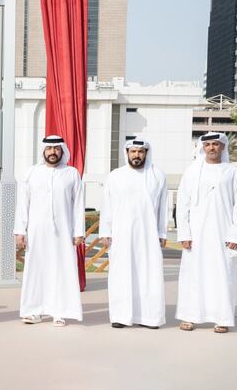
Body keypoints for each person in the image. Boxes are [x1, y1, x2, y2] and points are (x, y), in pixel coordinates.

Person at [175, 132, 237, 333]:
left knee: (222, 275)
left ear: (223, 147)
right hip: (195, 234)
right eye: (208, 145)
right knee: (193, 275)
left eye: (216, 144)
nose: (212, 148)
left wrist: (234, 236)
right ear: (202, 148)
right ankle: (190, 317)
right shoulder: (191, 171)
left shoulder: (232, 173)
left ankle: (222, 318)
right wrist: (185, 234)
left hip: (223, 234)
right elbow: (182, 205)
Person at [14, 135, 84, 327]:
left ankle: (59, 312)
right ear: (43, 151)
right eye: (49, 149)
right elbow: (23, 204)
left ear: (62, 151)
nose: (52, 152)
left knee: (62, 270)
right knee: (35, 270)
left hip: (63, 233)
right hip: (36, 232)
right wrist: (20, 230)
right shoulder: (31, 173)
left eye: (56, 149)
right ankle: (33, 311)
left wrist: (79, 231)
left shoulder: (71, 173)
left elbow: (78, 205)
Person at [100, 139, 167, 329]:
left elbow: (163, 208)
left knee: (149, 274)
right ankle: (121, 316)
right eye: (133, 152)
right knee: (121, 274)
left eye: (140, 152)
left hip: (149, 235)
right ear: (127, 153)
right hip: (121, 234)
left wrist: (162, 233)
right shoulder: (115, 176)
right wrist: (105, 231)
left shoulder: (157, 176)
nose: (136, 155)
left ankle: (150, 317)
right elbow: (107, 205)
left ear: (146, 153)